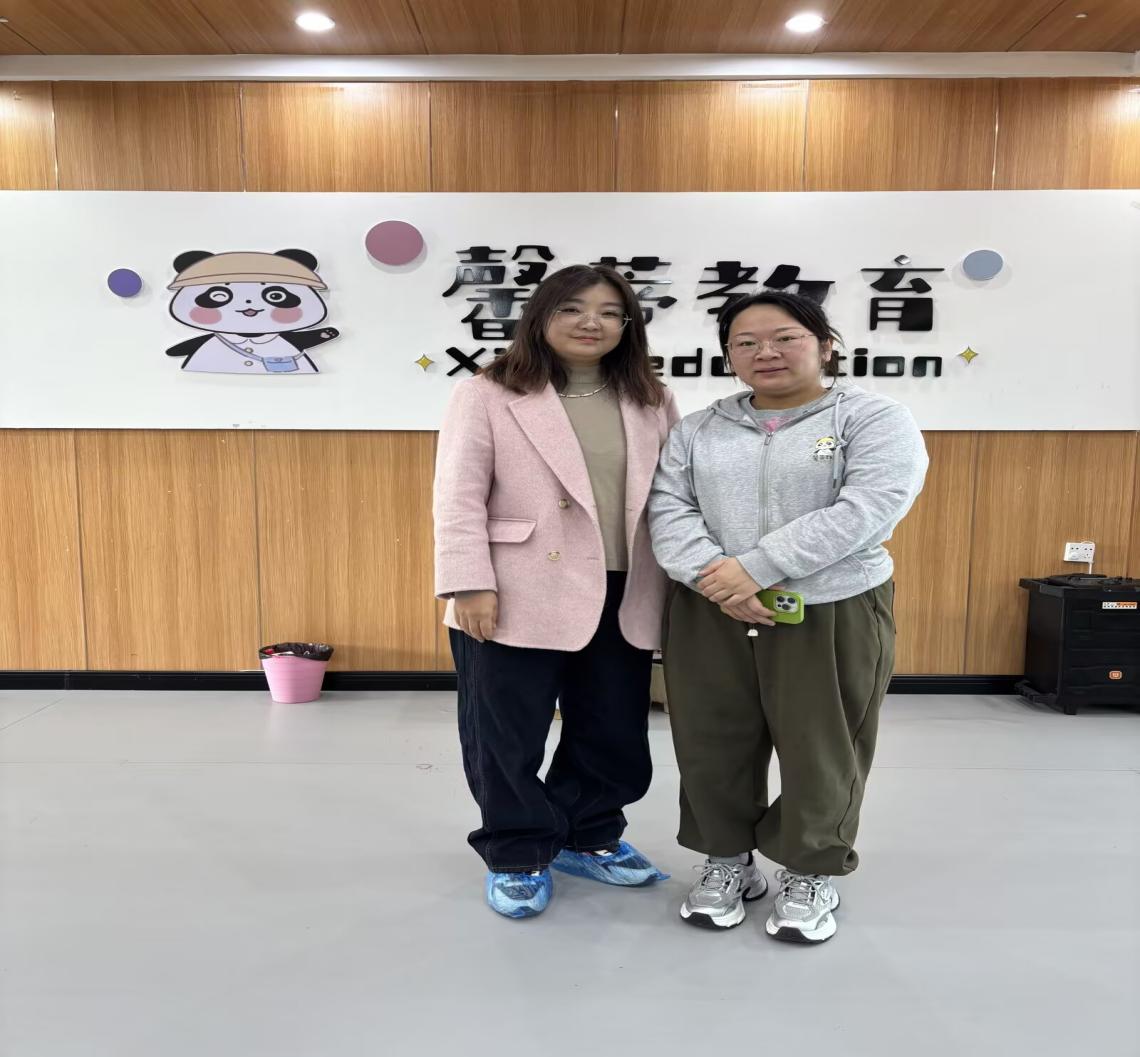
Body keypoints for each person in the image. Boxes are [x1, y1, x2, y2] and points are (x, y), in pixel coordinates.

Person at [649, 290, 928, 944]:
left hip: (830, 607)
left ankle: (810, 868)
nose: (765, 352)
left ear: (825, 344)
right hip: (710, 607)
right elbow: (668, 508)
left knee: (821, 746)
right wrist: (716, 577)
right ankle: (727, 860)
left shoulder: (873, 417)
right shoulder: (699, 428)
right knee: (712, 740)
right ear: (728, 355)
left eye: (785, 338)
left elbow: (870, 507)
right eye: (745, 342)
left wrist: (759, 566)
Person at [434, 264, 679, 919]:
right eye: (573, 308)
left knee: (613, 727)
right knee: (506, 732)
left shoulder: (650, 397)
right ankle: (516, 850)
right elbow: (457, 495)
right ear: (540, 315)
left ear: (628, 325)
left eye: (610, 312)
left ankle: (587, 834)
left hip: (626, 585)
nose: (591, 322)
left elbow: (671, 495)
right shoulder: (487, 392)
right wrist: (467, 582)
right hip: (515, 585)